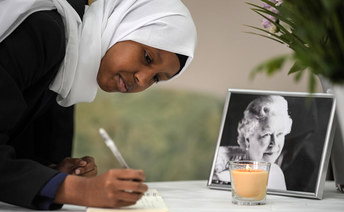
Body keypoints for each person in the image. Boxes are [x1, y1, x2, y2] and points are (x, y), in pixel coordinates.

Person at [0, 0, 197, 210]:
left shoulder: (71, 74)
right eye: (147, 58)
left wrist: (54, 173)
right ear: (122, 23)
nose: (143, 80)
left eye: (157, 78)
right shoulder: (44, 30)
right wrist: (81, 190)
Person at [213, 95, 292, 190]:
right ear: (247, 139)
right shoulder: (222, 174)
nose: (274, 144)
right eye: (266, 135)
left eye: (279, 134)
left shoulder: (276, 173)